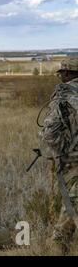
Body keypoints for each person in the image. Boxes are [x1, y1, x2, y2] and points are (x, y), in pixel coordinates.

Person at [40, 58, 78, 255]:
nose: (60, 75)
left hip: (72, 161)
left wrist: (58, 154)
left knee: (70, 207)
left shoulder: (63, 96)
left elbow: (50, 134)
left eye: (62, 72)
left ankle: (57, 248)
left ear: (68, 73)